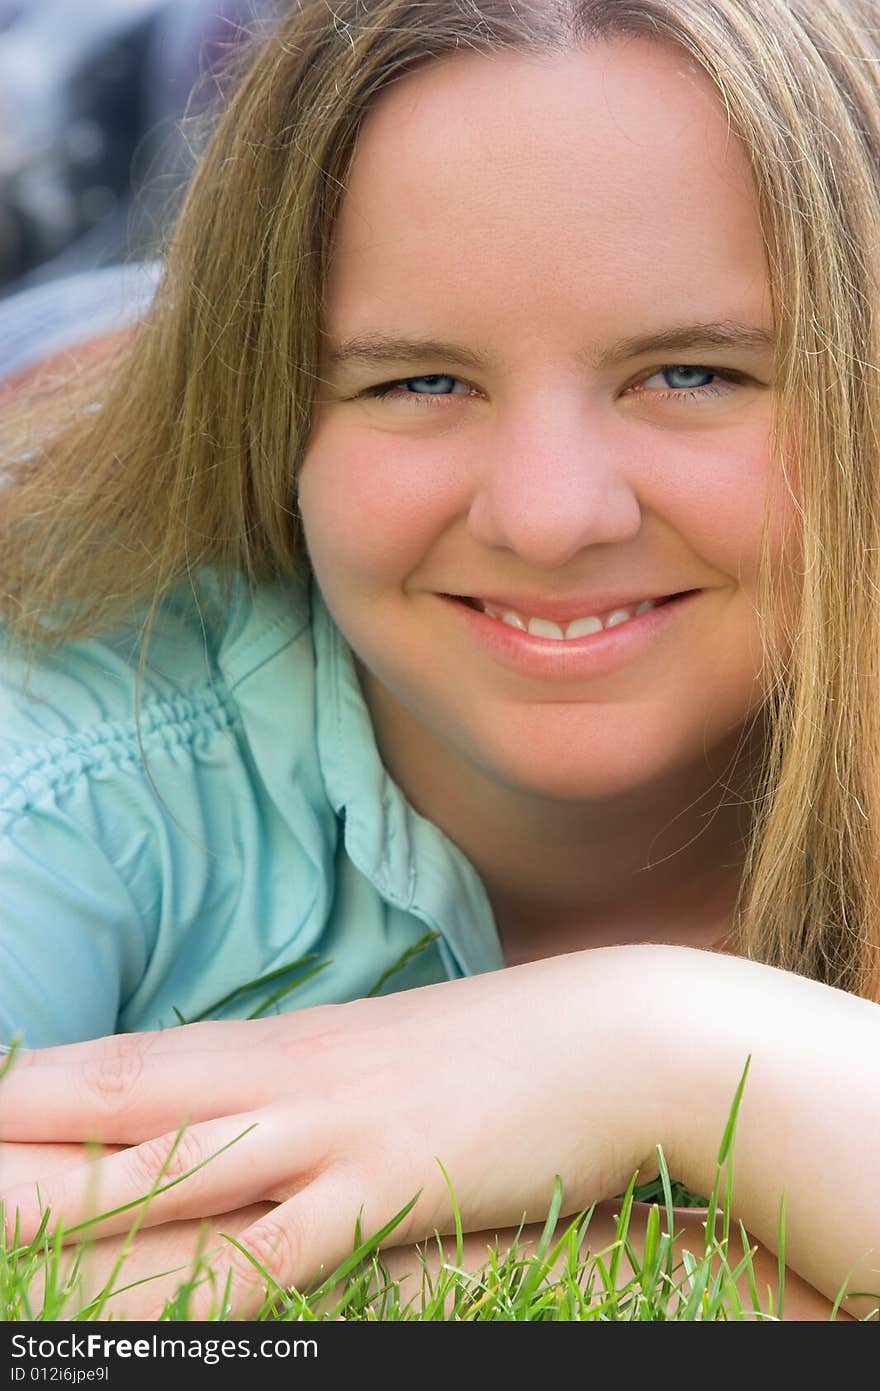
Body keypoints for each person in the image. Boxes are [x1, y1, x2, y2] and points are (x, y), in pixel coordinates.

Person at [1, 0, 879, 1323]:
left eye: (693, 373)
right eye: (418, 383)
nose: (548, 513)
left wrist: (668, 1051)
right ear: (276, 410)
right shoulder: (65, 776)